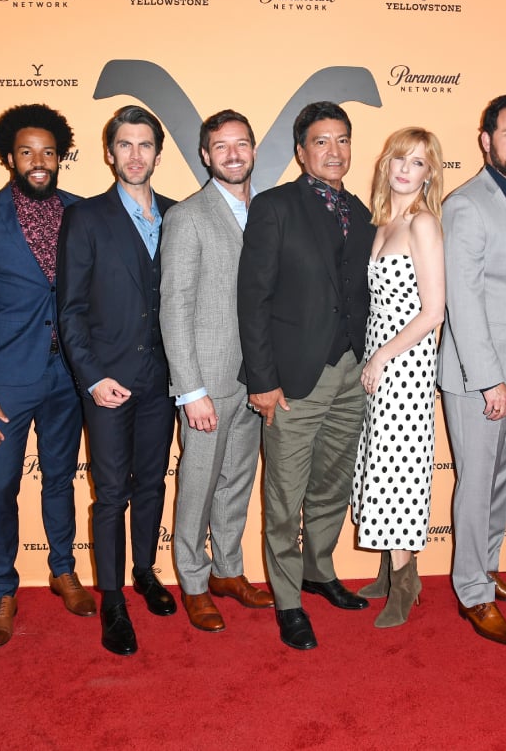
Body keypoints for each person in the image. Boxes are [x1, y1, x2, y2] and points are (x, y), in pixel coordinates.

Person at [237, 101, 377, 650]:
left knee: (332, 485)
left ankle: (320, 571)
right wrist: (262, 380)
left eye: (342, 140)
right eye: (322, 141)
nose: (335, 151)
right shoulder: (274, 207)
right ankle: (288, 598)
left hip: (351, 371)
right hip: (293, 380)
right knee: (284, 493)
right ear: (300, 151)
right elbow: (253, 299)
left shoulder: (363, 212)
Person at [0, 103, 93, 649]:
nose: (39, 162)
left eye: (48, 152)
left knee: (61, 477)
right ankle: (4, 590)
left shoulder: (83, 212)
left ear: (60, 157)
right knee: (3, 484)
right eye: (27, 152)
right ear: (9, 157)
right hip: (6, 379)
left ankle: (63, 571)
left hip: (69, 377)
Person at [58, 105, 178, 656]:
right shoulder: (86, 218)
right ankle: (112, 599)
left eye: (145, 144)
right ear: (109, 153)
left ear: (158, 151)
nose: (135, 155)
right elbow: (71, 311)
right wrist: (92, 378)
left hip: (164, 380)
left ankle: (145, 571)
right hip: (108, 383)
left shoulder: (178, 215)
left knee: (151, 484)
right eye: (125, 145)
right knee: (110, 496)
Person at [437, 94, 506, 646]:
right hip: (480, 376)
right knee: (477, 482)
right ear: (486, 140)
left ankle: (489, 568)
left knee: (501, 479)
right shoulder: (467, 204)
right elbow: (463, 297)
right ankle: (472, 593)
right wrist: (490, 379)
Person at [159, 110, 274, 634]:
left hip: (255, 380)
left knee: (236, 481)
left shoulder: (267, 212)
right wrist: (191, 390)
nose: (233, 154)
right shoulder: (188, 216)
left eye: (242, 144)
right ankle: (194, 580)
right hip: (207, 381)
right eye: (221, 146)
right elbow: (175, 306)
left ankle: (228, 569)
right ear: (206, 155)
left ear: (253, 150)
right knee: (200, 482)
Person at [350, 127, 445, 629]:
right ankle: (392, 570)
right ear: (386, 163)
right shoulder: (385, 222)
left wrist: (383, 357)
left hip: (405, 362)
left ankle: (405, 585)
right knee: (380, 465)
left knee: (399, 469)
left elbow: (433, 311)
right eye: (399, 159)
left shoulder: (423, 224)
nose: (406, 169)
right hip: (381, 356)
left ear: (430, 174)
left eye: (419, 163)